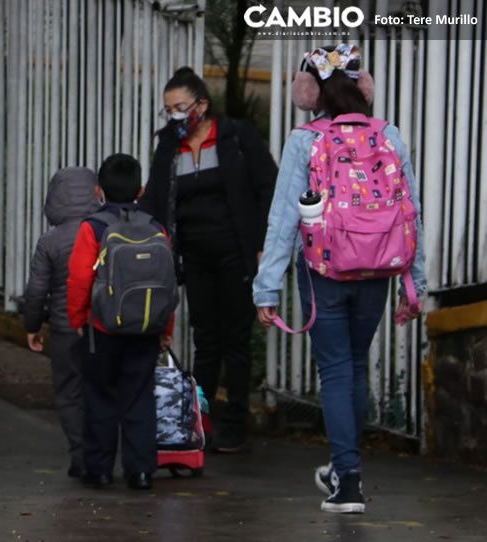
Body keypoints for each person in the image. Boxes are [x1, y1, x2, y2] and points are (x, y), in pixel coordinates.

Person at [253, 44, 426, 514]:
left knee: (334, 369)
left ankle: (346, 480)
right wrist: (418, 283)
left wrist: (266, 287)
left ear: (309, 92)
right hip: (379, 268)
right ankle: (344, 468)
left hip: (324, 268)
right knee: (353, 362)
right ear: (363, 87)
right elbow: (411, 213)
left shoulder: (304, 140)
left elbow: (284, 219)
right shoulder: (388, 134)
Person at [139, 67, 277, 453]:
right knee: (205, 339)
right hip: (193, 257)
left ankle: (235, 421)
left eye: (181, 107)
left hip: (237, 255)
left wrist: (264, 243)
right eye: (168, 110)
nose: (175, 116)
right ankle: (199, 420)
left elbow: (267, 186)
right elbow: (156, 197)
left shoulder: (235, 137)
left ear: (202, 104)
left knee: (235, 338)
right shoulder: (169, 145)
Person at [67, 154, 177, 491]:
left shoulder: (93, 227)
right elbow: (166, 283)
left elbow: (80, 279)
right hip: (146, 328)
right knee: (138, 397)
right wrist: (165, 329)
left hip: (102, 329)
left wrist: (78, 318)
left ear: (99, 191)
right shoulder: (156, 228)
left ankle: (99, 469)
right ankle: (141, 471)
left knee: (99, 396)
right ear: (141, 190)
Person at [22, 167, 100, 479]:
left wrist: (32, 325)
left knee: (69, 391)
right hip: (102, 327)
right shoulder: (104, 231)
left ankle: (81, 456)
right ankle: (103, 454)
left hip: (66, 327)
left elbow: (37, 290)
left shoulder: (49, 241)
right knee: (100, 388)